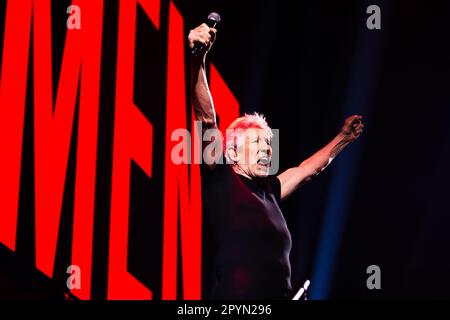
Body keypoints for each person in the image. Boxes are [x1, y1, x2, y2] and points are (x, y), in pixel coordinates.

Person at [188, 23, 364, 299]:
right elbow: (206, 118)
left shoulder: (271, 190)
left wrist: (342, 138)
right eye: (257, 142)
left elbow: (308, 170)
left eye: (269, 144)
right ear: (232, 152)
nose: (267, 149)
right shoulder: (221, 177)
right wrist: (199, 59)